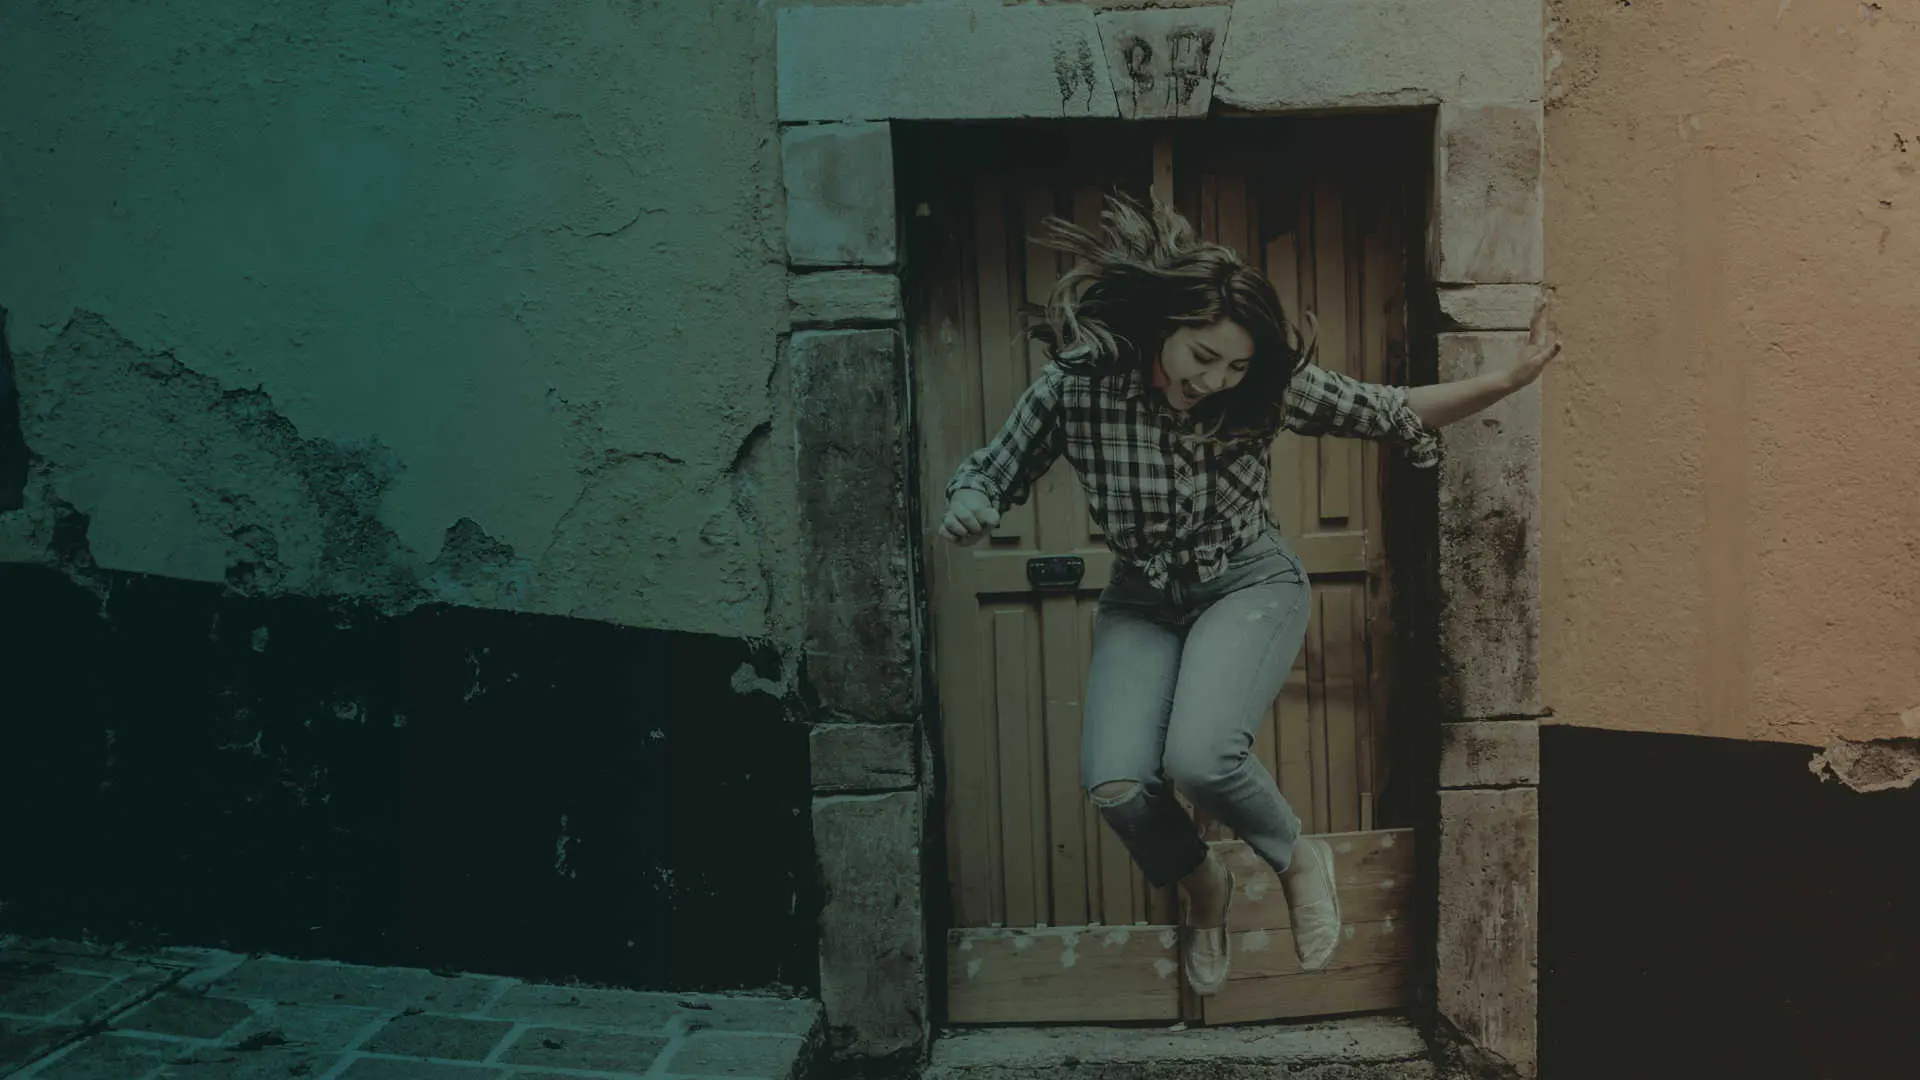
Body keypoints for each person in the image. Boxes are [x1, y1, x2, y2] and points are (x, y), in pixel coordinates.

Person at [938, 193, 1559, 995]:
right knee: (1117, 783)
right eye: (1203, 356)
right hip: (1142, 599)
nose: (1215, 380)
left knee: (1199, 758)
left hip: (1249, 582)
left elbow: (1393, 409)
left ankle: (1299, 857)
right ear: (1166, 324)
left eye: (1233, 365)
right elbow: (995, 467)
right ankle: (1204, 889)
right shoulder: (1079, 384)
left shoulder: (1263, 388)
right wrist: (973, 503)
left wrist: (1507, 380)